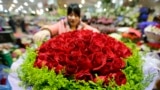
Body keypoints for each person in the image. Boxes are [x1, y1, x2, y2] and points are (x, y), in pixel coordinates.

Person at [33, 3, 99, 43]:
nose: (73, 18)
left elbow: (93, 30)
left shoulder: (83, 26)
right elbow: (52, 28)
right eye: (70, 15)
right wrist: (46, 31)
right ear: (67, 16)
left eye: (76, 16)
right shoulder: (62, 24)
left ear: (79, 17)